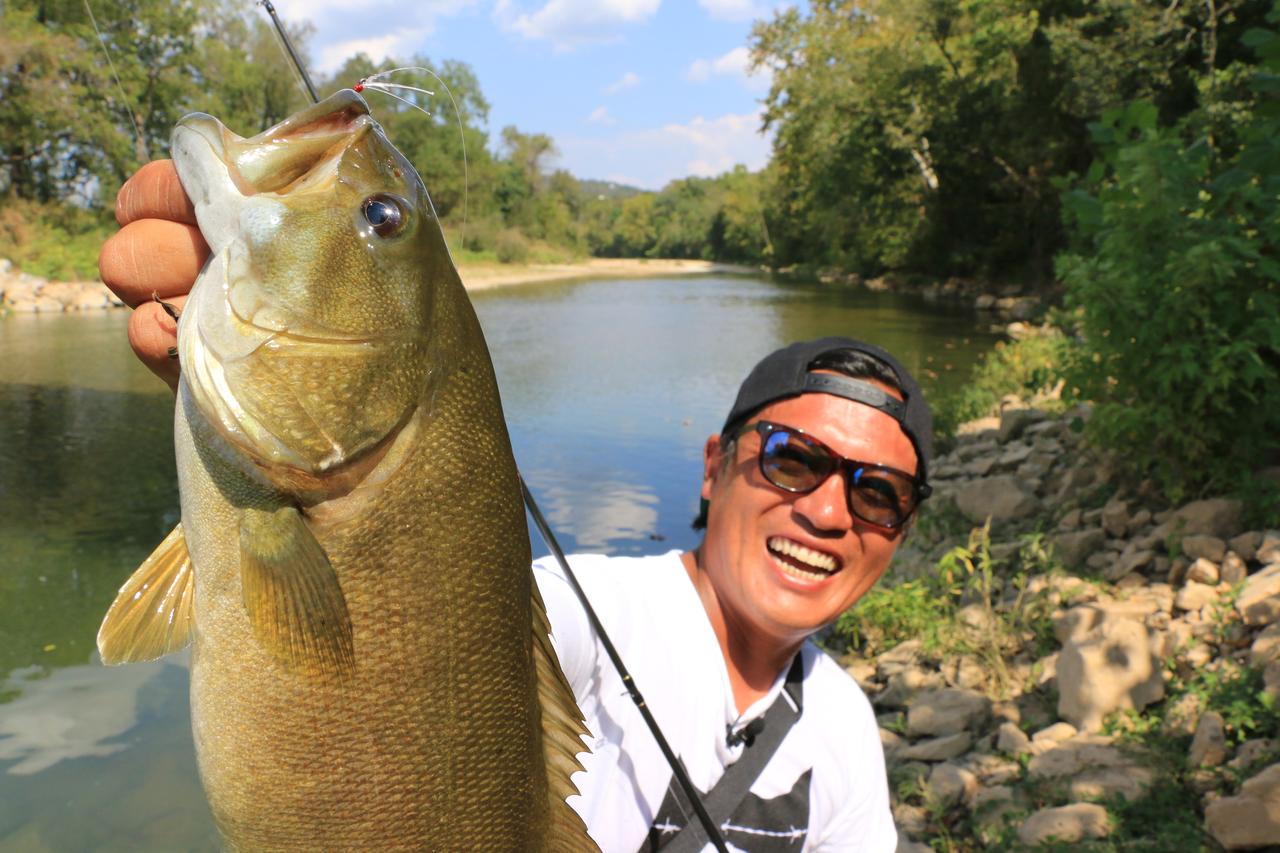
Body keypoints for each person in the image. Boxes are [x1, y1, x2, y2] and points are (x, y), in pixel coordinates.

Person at [101, 162, 933, 852]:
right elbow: (433, 594)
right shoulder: (585, 612)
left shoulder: (846, 730)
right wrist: (238, 405)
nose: (829, 512)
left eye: (879, 494)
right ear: (715, 467)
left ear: (901, 529)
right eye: (795, 460)